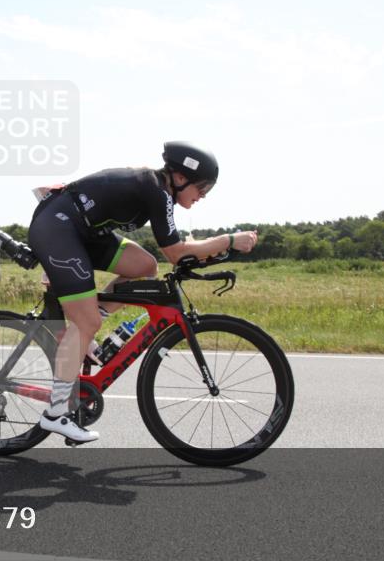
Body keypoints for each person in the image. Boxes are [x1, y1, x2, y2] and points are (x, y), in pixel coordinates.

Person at [27, 141, 258, 443]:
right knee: (86, 325)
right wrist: (229, 239)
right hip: (59, 228)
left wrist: (214, 252)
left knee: (144, 266)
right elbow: (176, 252)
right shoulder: (157, 191)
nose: (202, 197)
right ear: (180, 177)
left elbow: (171, 255)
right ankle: (56, 414)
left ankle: (88, 322)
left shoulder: (159, 191)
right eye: (201, 189)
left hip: (83, 231)